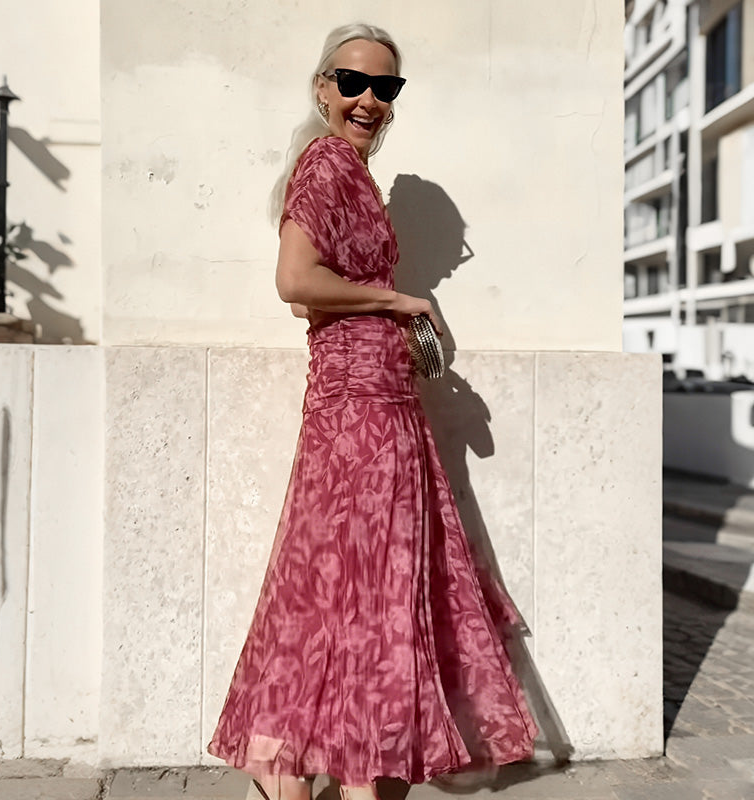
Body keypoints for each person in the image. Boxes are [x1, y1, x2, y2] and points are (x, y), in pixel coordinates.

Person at [206, 23, 538, 800]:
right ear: (322, 87)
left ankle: (301, 767)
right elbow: (294, 283)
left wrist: (393, 325)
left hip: (371, 405)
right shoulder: (326, 162)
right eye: (352, 82)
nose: (367, 100)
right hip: (358, 415)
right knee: (362, 593)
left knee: (347, 595)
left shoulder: (351, 176)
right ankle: (306, 769)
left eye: (384, 88)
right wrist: (397, 301)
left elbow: (315, 300)